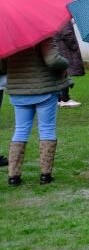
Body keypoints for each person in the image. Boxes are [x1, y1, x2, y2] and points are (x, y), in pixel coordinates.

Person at [4, 38, 69, 186]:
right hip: (44, 89)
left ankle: (13, 176)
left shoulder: (6, 36)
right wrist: (66, 62)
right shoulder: (43, 35)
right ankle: (45, 175)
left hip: (18, 90)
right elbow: (53, 60)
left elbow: (1, 67)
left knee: (20, 130)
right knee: (47, 129)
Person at [53, 21, 84, 107]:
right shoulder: (62, 18)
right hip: (64, 49)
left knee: (59, 74)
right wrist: (73, 46)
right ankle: (64, 99)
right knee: (64, 73)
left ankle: (59, 98)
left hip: (55, 48)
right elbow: (67, 33)